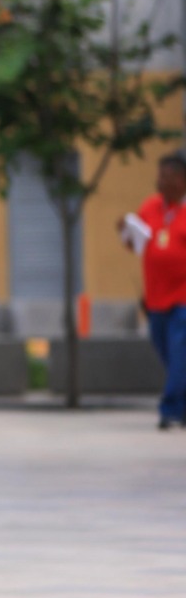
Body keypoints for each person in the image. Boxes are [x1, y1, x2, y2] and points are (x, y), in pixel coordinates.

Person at [119, 152, 186, 429]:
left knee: (180, 351)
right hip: (156, 297)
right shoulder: (150, 207)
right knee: (167, 352)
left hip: (183, 297)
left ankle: (170, 409)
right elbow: (137, 245)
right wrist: (124, 231)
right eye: (159, 175)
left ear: (182, 180)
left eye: (166, 176)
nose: (159, 181)